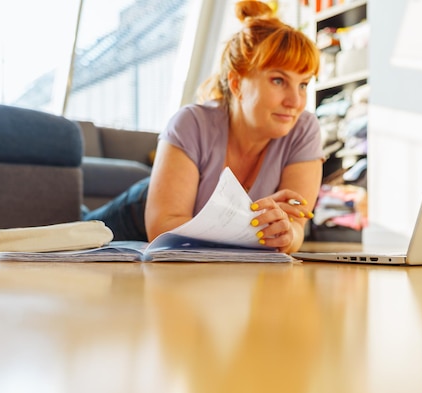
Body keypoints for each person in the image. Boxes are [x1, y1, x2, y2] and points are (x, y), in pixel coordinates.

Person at [85, 0, 323, 254]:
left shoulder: (304, 130)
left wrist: (287, 234)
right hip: (135, 214)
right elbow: (162, 229)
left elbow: (296, 227)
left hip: (198, 241)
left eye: (303, 84)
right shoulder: (191, 123)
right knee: (70, 237)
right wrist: (248, 228)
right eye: (278, 80)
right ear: (236, 84)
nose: (295, 102)